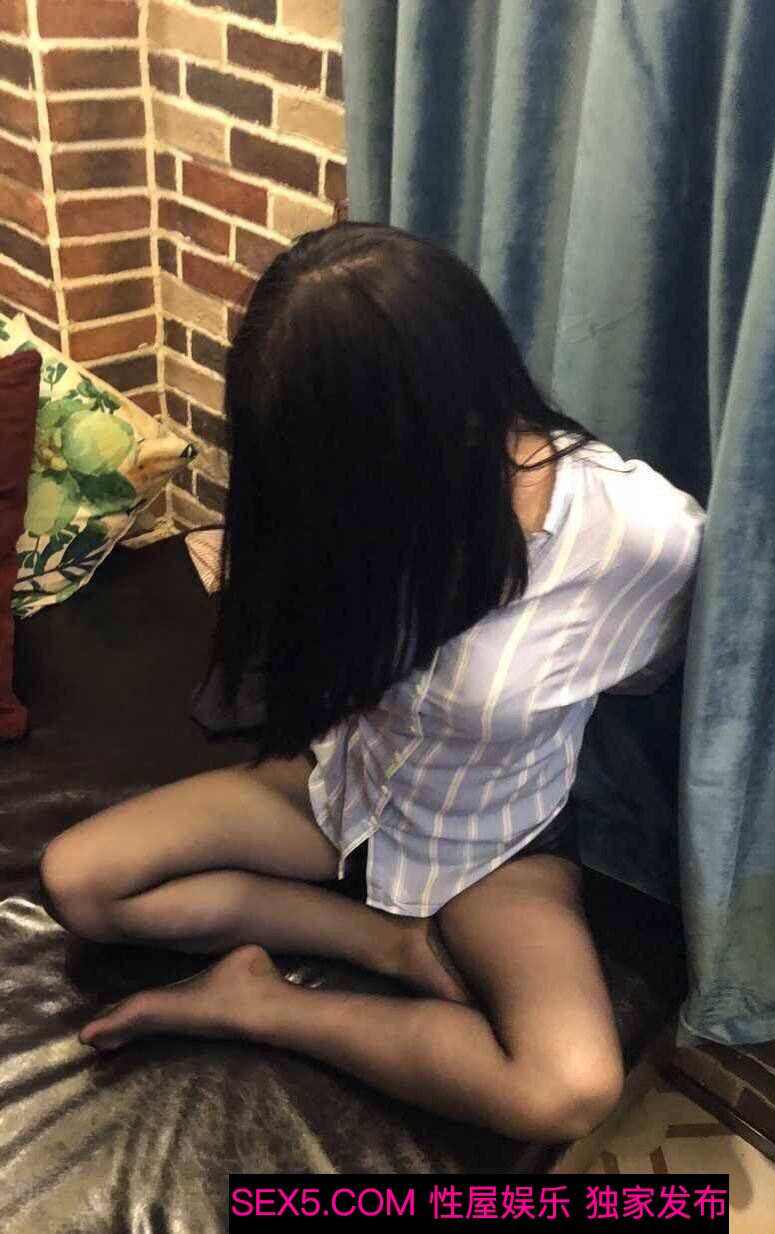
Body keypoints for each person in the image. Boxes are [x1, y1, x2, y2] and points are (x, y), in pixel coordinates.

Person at [39, 223, 705, 1143]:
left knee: (566, 1087)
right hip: (336, 789)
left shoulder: (634, 533)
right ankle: (387, 944)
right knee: (81, 882)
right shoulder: (345, 507)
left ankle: (260, 1006)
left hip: (492, 842)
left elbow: (660, 673)